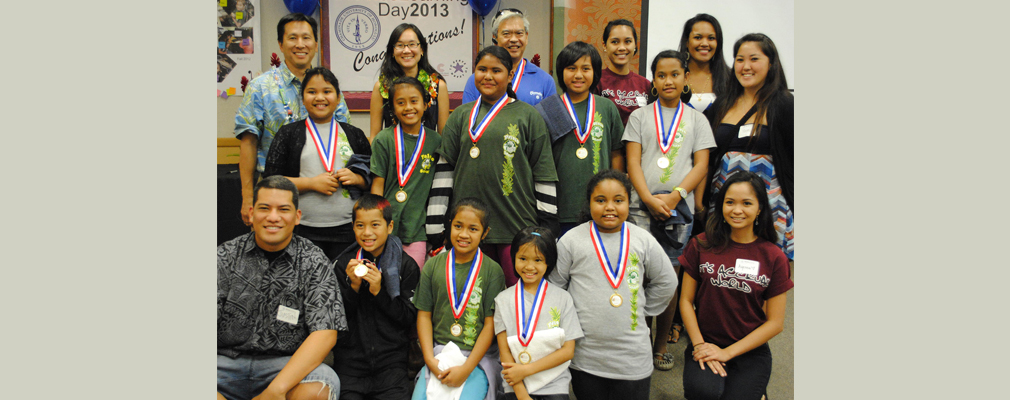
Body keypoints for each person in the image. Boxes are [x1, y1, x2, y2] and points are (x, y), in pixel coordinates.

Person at [547, 170, 677, 400]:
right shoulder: (571, 240)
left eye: (618, 200)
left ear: (629, 202)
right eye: (600, 200)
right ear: (589, 203)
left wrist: (643, 310)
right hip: (586, 357)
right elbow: (555, 288)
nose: (609, 207)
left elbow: (667, 280)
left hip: (632, 359)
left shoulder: (642, 239)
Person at [623, 50, 716, 369]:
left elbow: (702, 163)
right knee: (637, 277)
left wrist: (676, 196)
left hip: (680, 212)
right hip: (640, 208)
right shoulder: (639, 116)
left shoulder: (697, 119)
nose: (668, 81)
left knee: (669, 279)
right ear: (653, 80)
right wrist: (648, 198)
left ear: (685, 78)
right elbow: (633, 161)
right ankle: (639, 343)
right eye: (661, 75)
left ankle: (661, 346)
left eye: (675, 74)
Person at [217, 175, 347, 400]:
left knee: (322, 385)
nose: (273, 217)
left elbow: (325, 334)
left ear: (297, 217)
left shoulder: (313, 260)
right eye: (264, 208)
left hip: (285, 367)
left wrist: (275, 391)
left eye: (283, 209)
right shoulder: (224, 256)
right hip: (224, 363)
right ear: (251, 213)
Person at [439, 46, 559, 288]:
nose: (488, 76)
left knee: (518, 299)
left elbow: (544, 173)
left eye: (497, 70)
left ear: (510, 75)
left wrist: (547, 229)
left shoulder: (528, 115)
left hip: (516, 228)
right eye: (482, 69)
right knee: (473, 300)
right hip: (468, 230)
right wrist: (436, 227)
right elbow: (444, 173)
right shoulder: (460, 116)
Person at [678, 171, 793, 400]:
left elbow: (775, 323)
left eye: (747, 203)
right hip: (705, 340)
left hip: (750, 349)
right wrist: (700, 346)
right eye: (730, 202)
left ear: (760, 208)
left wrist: (726, 353)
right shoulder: (701, 244)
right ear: (721, 206)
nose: (737, 210)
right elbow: (685, 301)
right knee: (705, 392)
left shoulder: (774, 257)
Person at [235, 13, 351, 226]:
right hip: (274, 197)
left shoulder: (330, 88)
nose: (300, 44)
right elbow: (249, 144)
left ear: (316, 44)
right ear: (280, 44)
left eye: (306, 38)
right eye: (292, 38)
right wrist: (247, 198)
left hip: (325, 200)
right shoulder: (260, 88)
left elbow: (345, 137)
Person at [264, 67, 372, 261]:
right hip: (303, 228)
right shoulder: (288, 134)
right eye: (312, 92)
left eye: (327, 91)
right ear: (302, 97)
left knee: (343, 285)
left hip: (348, 229)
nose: (320, 97)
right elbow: (271, 182)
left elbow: (373, 180)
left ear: (338, 98)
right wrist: (311, 183)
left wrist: (357, 178)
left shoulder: (354, 134)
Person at [704, 33, 794, 260]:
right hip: (724, 204)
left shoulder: (784, 105)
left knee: (764, 272)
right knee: (722, 267)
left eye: (754, 59)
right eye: (739, 59)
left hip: (770, 207)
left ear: (771, 63)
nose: (745, 66)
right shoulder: (723, 102)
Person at [412, 198, 507, 400]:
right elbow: (424, 316)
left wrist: (465, 369)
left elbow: (490, 325)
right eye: (458, 226)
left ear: (485, 233)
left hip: (478, 359)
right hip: (438, 354)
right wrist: (429, 360)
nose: (464, 234)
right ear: (449, 224)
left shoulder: (493, 271)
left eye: (473, 229)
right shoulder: (432, 266)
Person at [330, 194, 420, 400]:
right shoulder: (342, 265)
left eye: (375, 225)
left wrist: (380, 292)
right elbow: (334, 320)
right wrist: (352, 287)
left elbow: (408, 318)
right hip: (350, 366)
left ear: (389, 227)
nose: (367, 232)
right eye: (360, 225)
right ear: (353, 227)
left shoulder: (405, 266)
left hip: (391, 367)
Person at [534, 41, 625, 236]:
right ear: (561, 71)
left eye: (586, 69)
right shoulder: (547, 108)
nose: (578, 75)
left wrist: (616, 195)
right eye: (571, 68)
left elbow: (616, 152)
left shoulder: (607, 107)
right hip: (561, 206)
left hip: (601, 207)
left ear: (595, 72)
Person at [493, 227, 583, 400]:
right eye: (523, 258)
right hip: (515, 386)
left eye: (538, 260)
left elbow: (568, 351)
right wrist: (521, 393)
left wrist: (526, 370)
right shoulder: (502, 300)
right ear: (513, 258)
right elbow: (504, 352)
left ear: (548, 261)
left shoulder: (563, 298)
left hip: (554, 385)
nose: (529, 266)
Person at [371, 77, 445, 268]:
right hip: (386, 229)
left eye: (414, 101)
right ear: (392, 108)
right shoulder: (384, 139)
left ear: (425, 104)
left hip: (416, 230)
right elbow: (377, 185)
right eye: (400, 103)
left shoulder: (435, 141)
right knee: (384, 280)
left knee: (412, 285)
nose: (408, 107)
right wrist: (375, 223)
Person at [369, 23, 451, 139]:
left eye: (412, 44)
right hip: (392, 154)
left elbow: (444, 136)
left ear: (422, 49)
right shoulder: (381, 86)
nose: (406, 50)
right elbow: (374, 136)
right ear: (392, 51)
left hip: (428, 154)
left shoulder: (438, 86)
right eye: (400, 45)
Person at [462, 9, 556, 106]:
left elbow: (550, 119)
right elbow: (468, 118)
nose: (514, 39)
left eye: (519, 33)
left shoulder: (545, 81)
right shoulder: (478, 80)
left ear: (526, 37)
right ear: (495, 37)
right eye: (506, 34)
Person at [594, 19, 651, 126]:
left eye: (628, 41)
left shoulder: (645, 85)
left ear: (635, 45)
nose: (621, 47)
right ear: (604, 45)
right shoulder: (596, 81)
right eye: (615, 42)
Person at [678, 14, 732, 115]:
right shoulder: (674, 77)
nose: (705, 43)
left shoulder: (731, 79)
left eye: (711, 38)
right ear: (686, 41)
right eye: (698, 38)